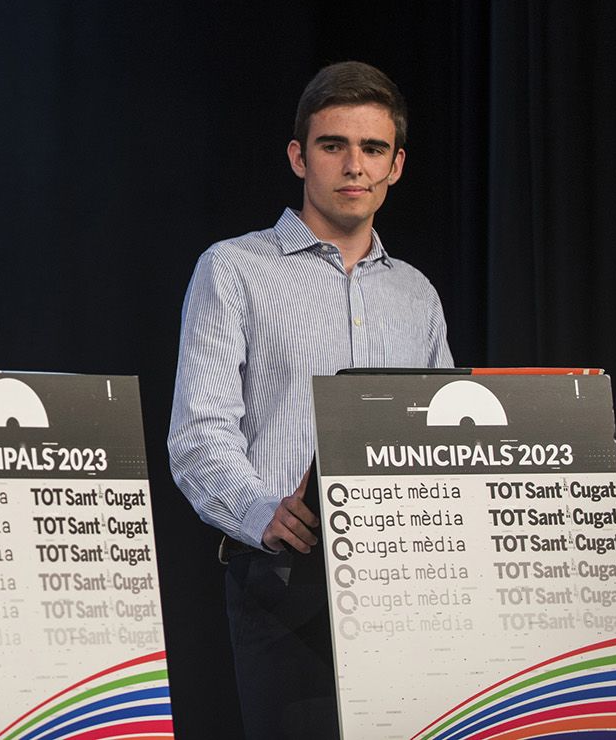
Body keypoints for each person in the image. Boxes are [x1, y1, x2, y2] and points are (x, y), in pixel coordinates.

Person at [167, 61, 453, 740]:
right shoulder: (234, 268)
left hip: (406, 579)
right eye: (333, 146)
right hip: (284, 577)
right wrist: (264, 513)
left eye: (373, 149)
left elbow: (441, 437)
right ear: (299, 157)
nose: (354, 166)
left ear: (396, 166)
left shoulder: (416, 293)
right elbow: (199, 433)